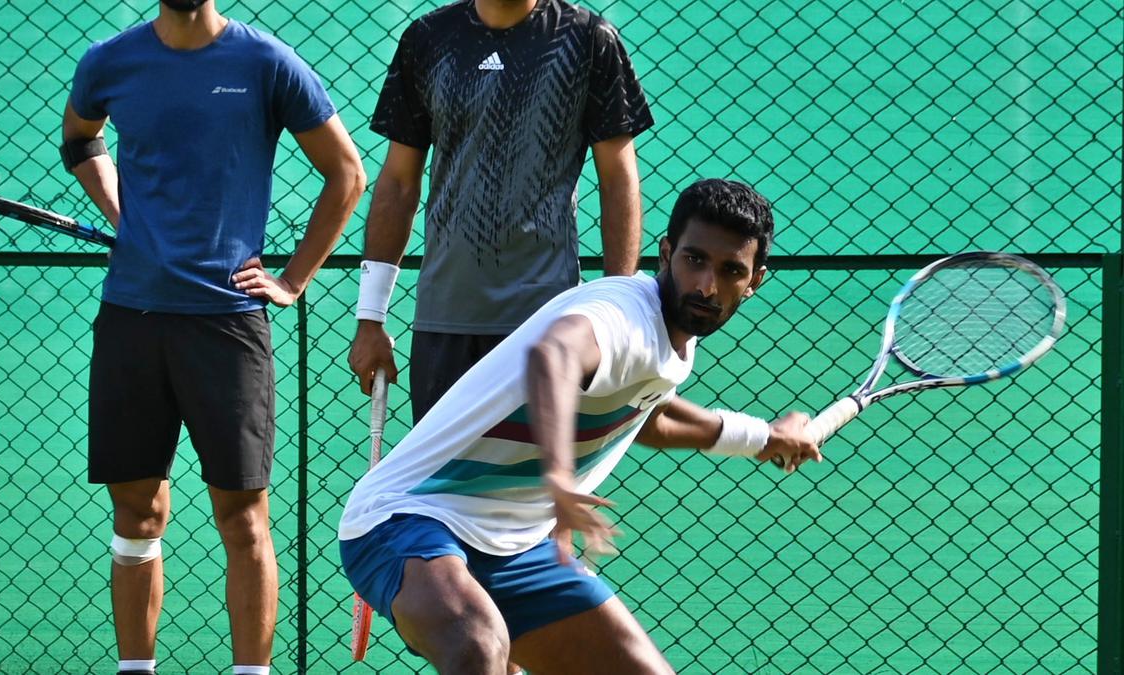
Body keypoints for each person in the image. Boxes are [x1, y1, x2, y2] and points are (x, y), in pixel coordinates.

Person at [338, 179, 823, 674]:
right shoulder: (621, 316)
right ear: (665, 253)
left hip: (514, 548)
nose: (706, 286)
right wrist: (559, 478)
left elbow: (652, 417)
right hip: (407, 519)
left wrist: (764, 437)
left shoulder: (672, 344)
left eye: (730, 271)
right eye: (694, 260)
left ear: (755, 280)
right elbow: (552, 356)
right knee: (477, 645)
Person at [61, 1, 366, 674]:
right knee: (137, 512)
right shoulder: (108, 62)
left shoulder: (266, 63)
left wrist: (293, 279)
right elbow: (80, 137)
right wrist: (120, 209)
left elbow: (347, 172)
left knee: (243, 516)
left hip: (228, 325)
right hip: (131, 319)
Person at [347, 0, 654, 423]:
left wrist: (617, 308)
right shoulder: (427, 38)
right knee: (439, 488)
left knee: (531, 488)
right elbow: (398, 184)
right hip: (443, 323)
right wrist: (370, 319)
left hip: (545, 325)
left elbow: (618, 177)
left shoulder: (589, 38)